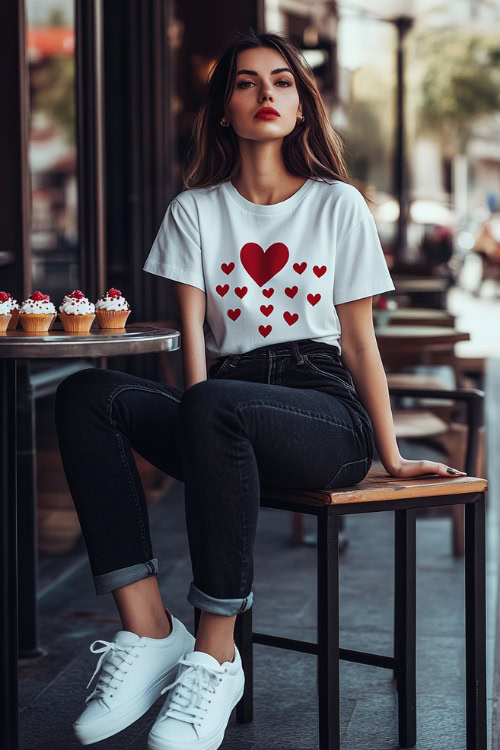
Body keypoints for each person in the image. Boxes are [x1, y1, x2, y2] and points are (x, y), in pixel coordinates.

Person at [55, 28, 466, 750]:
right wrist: (193, 419)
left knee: (213, 403)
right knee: (87, 393)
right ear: (224, 109)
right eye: (246, 82)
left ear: (302, 106)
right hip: (225, 409)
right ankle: (149, 628)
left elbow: (359, 340)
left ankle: (216, 655)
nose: (265, 94)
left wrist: (392, 455)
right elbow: (195, 350)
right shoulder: (195, 211)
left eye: (281, 82)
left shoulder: (338, 205)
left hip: (321, 413)